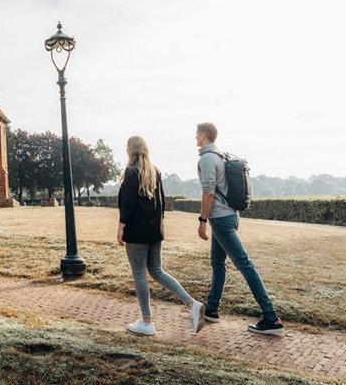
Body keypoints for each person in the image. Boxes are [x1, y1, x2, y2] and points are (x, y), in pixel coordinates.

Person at [195, 122, 284, 336]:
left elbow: (208, 192)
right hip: (231, 216)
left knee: (244, 264)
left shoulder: (208, 158)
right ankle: (212, 309)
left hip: (220, 219)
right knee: (217, 263)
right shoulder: (222, 156)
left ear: (204, 136)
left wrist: (202, 220)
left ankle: (271, 318)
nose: (195, 138)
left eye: (197, 135)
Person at [118, 135, 205, 336]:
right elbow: (162, 204)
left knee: (139, 273)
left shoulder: (132, 172)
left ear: (130, 150)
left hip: (137, 232)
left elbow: (129, 204)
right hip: (155, 231)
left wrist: (121, 227)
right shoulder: (154, 171)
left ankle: (147, 322)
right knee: (157, 271)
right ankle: (191, 304)